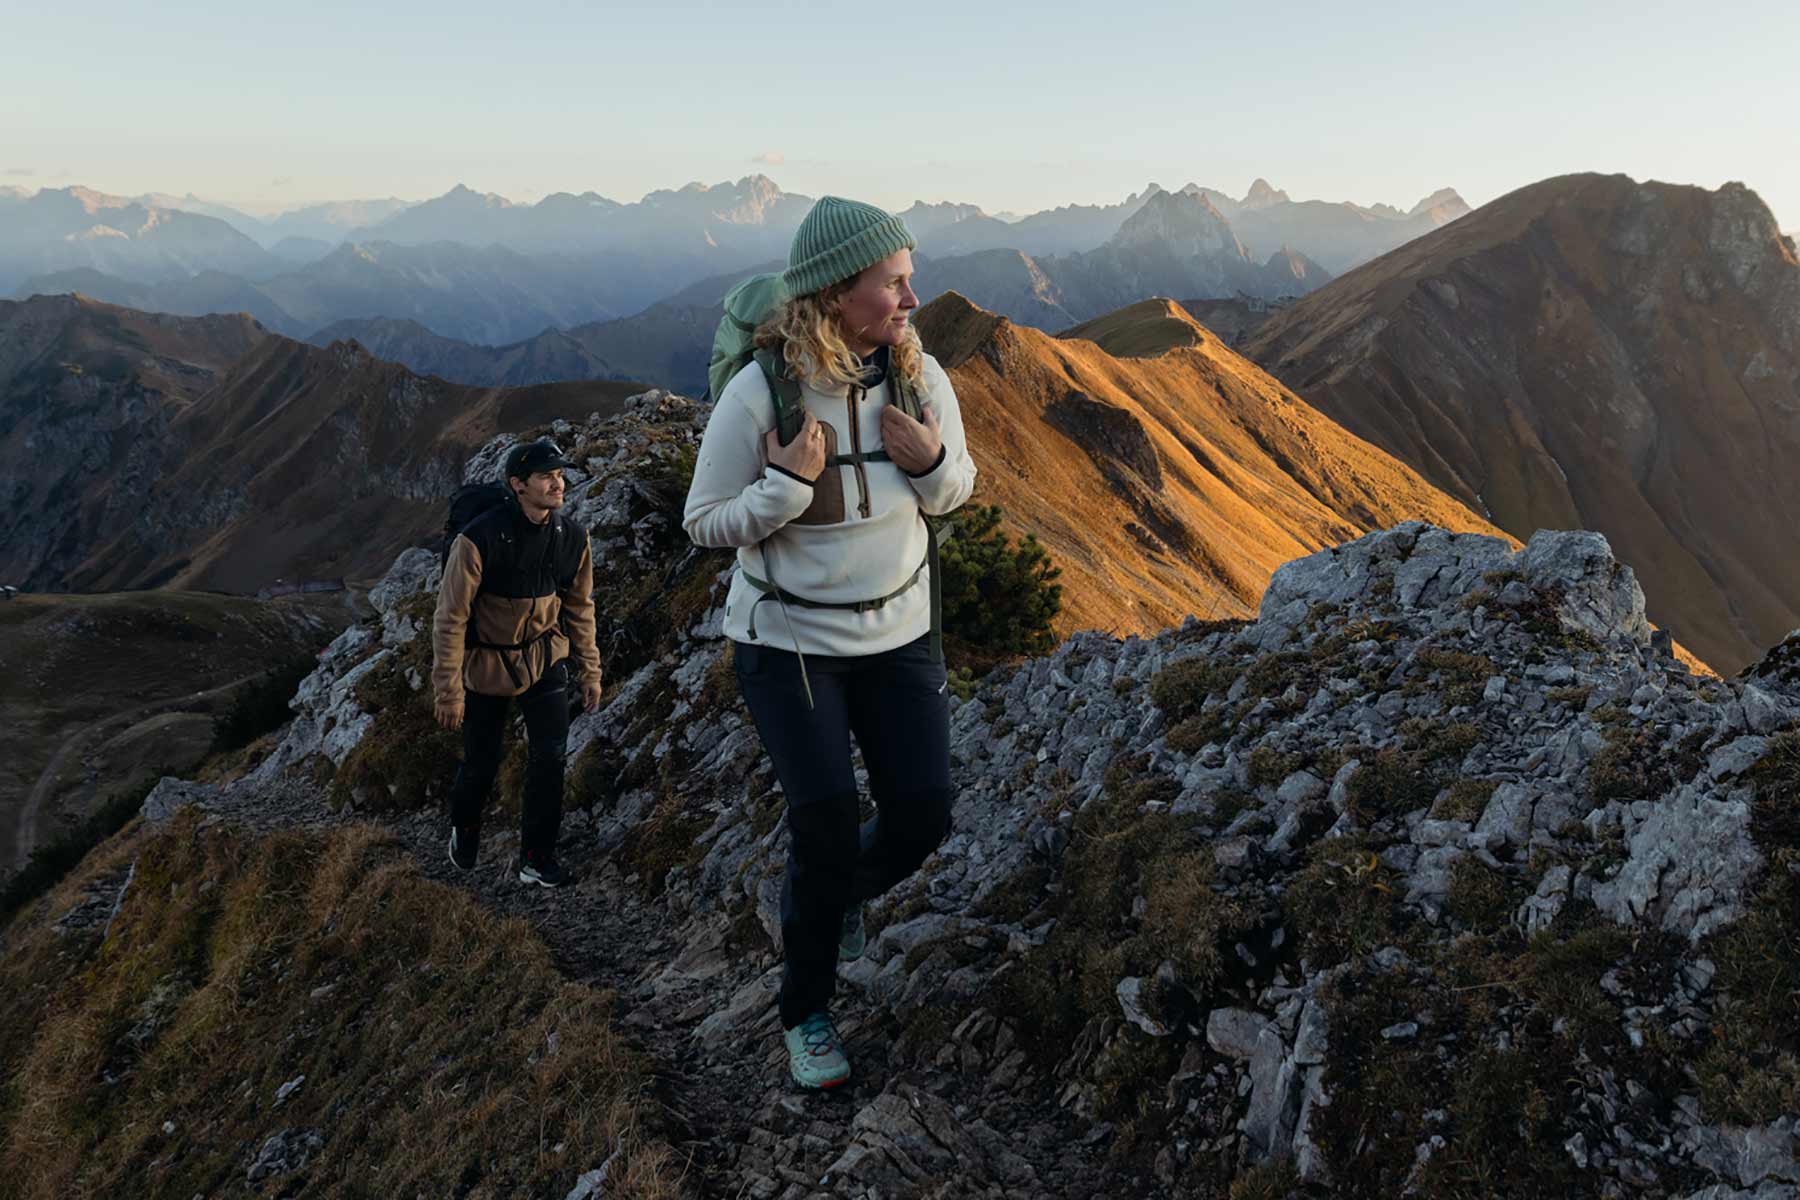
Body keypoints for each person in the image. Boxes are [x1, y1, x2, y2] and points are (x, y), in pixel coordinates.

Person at [682, 196, 978, 1089]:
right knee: (824, 827)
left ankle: (837, 893)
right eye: (893, 283)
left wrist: (929, 463)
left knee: (923, 816)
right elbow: (702, 522)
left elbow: (957, 489)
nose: (911, 298)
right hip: (789, 645)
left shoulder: (922, 382)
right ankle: (806, 1012)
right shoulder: (761, 391)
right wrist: (780, 488)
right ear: (838, 293)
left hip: (900, 632)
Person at [432, 437, 604, 887]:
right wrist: (448, 691)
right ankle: (466, 826)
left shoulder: (572, 538)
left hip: (545, 660)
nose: (558, 483)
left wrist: (589, 669)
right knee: (482, 761)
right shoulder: (478, 539)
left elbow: (579, 608)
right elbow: (451, 618)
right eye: (546, 476)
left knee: (550, 756)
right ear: (517, 485)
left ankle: (536, 857)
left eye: (560, 474)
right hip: (486, 666)